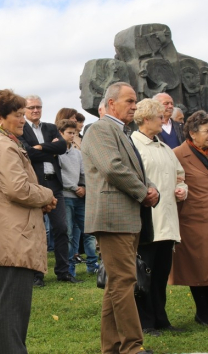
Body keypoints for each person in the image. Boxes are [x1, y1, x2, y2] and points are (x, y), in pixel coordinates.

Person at [0, 89, 56, 354]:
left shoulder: (2, 141)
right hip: (11, 236)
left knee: (7, 309)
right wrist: (46, 195)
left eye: (24, 114)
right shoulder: (1, 144)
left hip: (9, 233)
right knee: (12, 311)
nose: (23, 120)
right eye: (18, 115)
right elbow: (18, 189)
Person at [82, 82, 159, 354]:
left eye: (135, 101)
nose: (134, 106)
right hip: (113, 218)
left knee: (117, 284)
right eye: (129, 100)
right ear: (111, 103)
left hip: (126, 217)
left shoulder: (122, 132)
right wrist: (143, 192)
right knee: (124, 282)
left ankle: (113, 348)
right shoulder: (100, 129)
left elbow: (134, 169)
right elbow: (112, 168)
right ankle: (132, 347)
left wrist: (152, 190)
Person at [169, 110, 208, 326]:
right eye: (207, 131)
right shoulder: (178, 154)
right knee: (197, 267)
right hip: (192, 221)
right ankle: (202, 312)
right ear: (193, 132)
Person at [131, 99, 188, 336]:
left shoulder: (164, 147)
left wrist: (183, 188)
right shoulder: (132, 144)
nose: (164, 121)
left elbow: (180, 176)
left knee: (162, 273)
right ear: (145, 119)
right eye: (159, 117)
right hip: (146, 221)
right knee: (144, 273)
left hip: (168, 221)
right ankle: (145, 322)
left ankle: (160, 317)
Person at [20, 95, 80, 285]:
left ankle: (63, 272)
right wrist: (48, 149)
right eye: (31, 108)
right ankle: (37, 274)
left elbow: (62, 146)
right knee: (37, 231)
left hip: (55, 184)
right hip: (35, 185)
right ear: (24, 110)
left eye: (38, 107)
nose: (35, 110)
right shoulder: (21, 129)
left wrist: (40, 147)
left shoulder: (50, 128)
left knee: (62, 228)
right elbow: (27, 153)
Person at [56, 119, 98, 276]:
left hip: (80, 198)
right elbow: (58, 175)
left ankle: (93, 264)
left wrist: (85, 187)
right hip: (66, 197)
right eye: (69, 133)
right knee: (69, 234)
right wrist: (75, 188)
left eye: (74, 133)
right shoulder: (57, 154)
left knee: (88, 231)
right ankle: (70, 268)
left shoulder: (78, 154)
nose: (72, 136)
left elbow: (83, 173)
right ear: (61, 133)